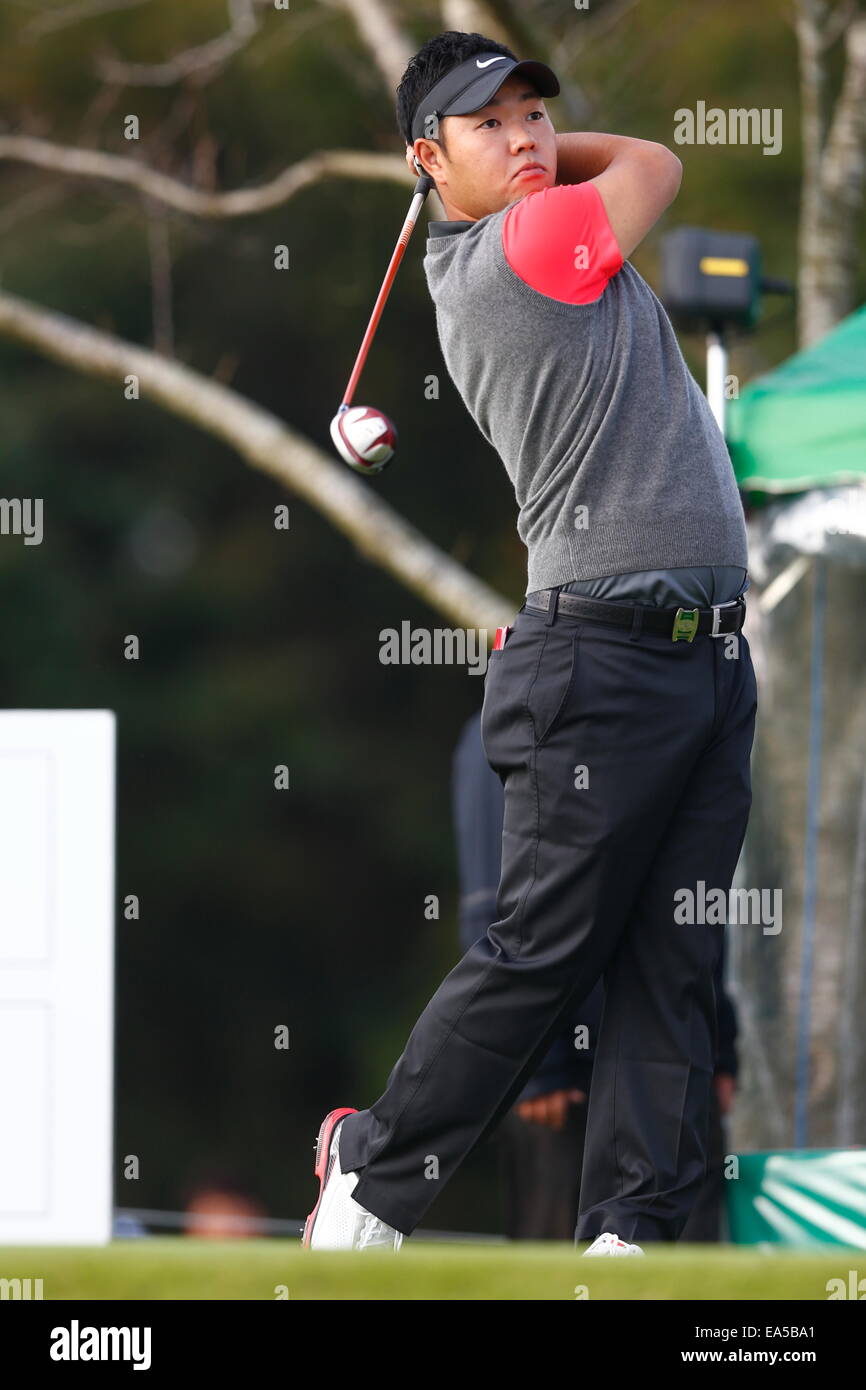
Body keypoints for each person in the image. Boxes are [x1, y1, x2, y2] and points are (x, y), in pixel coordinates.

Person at [303, 29, 758, 1256]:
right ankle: (371, 1173)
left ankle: (627, 1236)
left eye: (532, 116)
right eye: (486, 123)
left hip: (705, 657)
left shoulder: (531, 223)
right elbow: (657, 162)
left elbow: (610, 169)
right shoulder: (524, 246)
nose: (524, 138)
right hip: (600, 658)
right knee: (543, 950)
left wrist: (528, 157)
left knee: (670, 957)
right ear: (424, 158)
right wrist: (551, 167)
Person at [451, 708, 740, 1242]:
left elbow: (694, 901)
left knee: (687, 1263)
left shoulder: (681, 709)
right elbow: (494, 903)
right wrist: (537, 1065)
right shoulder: (519, 712)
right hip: (566, 1080)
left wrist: (717, 1043)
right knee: (561, 1263)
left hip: (674, 1057)